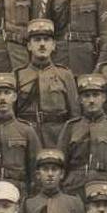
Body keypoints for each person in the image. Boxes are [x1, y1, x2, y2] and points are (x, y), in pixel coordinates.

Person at [56, 74, 107, 198]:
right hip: (75, 186)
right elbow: (60, 161)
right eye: (86, 96)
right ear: (80, 99)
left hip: (106, 183)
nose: (91, 100)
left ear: (104, 98)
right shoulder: (71, 127)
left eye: (96, 95)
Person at [14, 18, 80, 148]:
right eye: (37, 40)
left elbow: (75, 115)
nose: (42, 44)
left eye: (46, 39)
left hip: (57, 137)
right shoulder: (18, 75)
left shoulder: (65, 75)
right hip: (28, 137)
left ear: (54, 45)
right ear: (29, 46)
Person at [0, 73, 42, 196]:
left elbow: (35, 167)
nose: (2, 98)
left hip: (17, 187)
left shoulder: (26, 130)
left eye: (7, 92)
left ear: (15, 96)